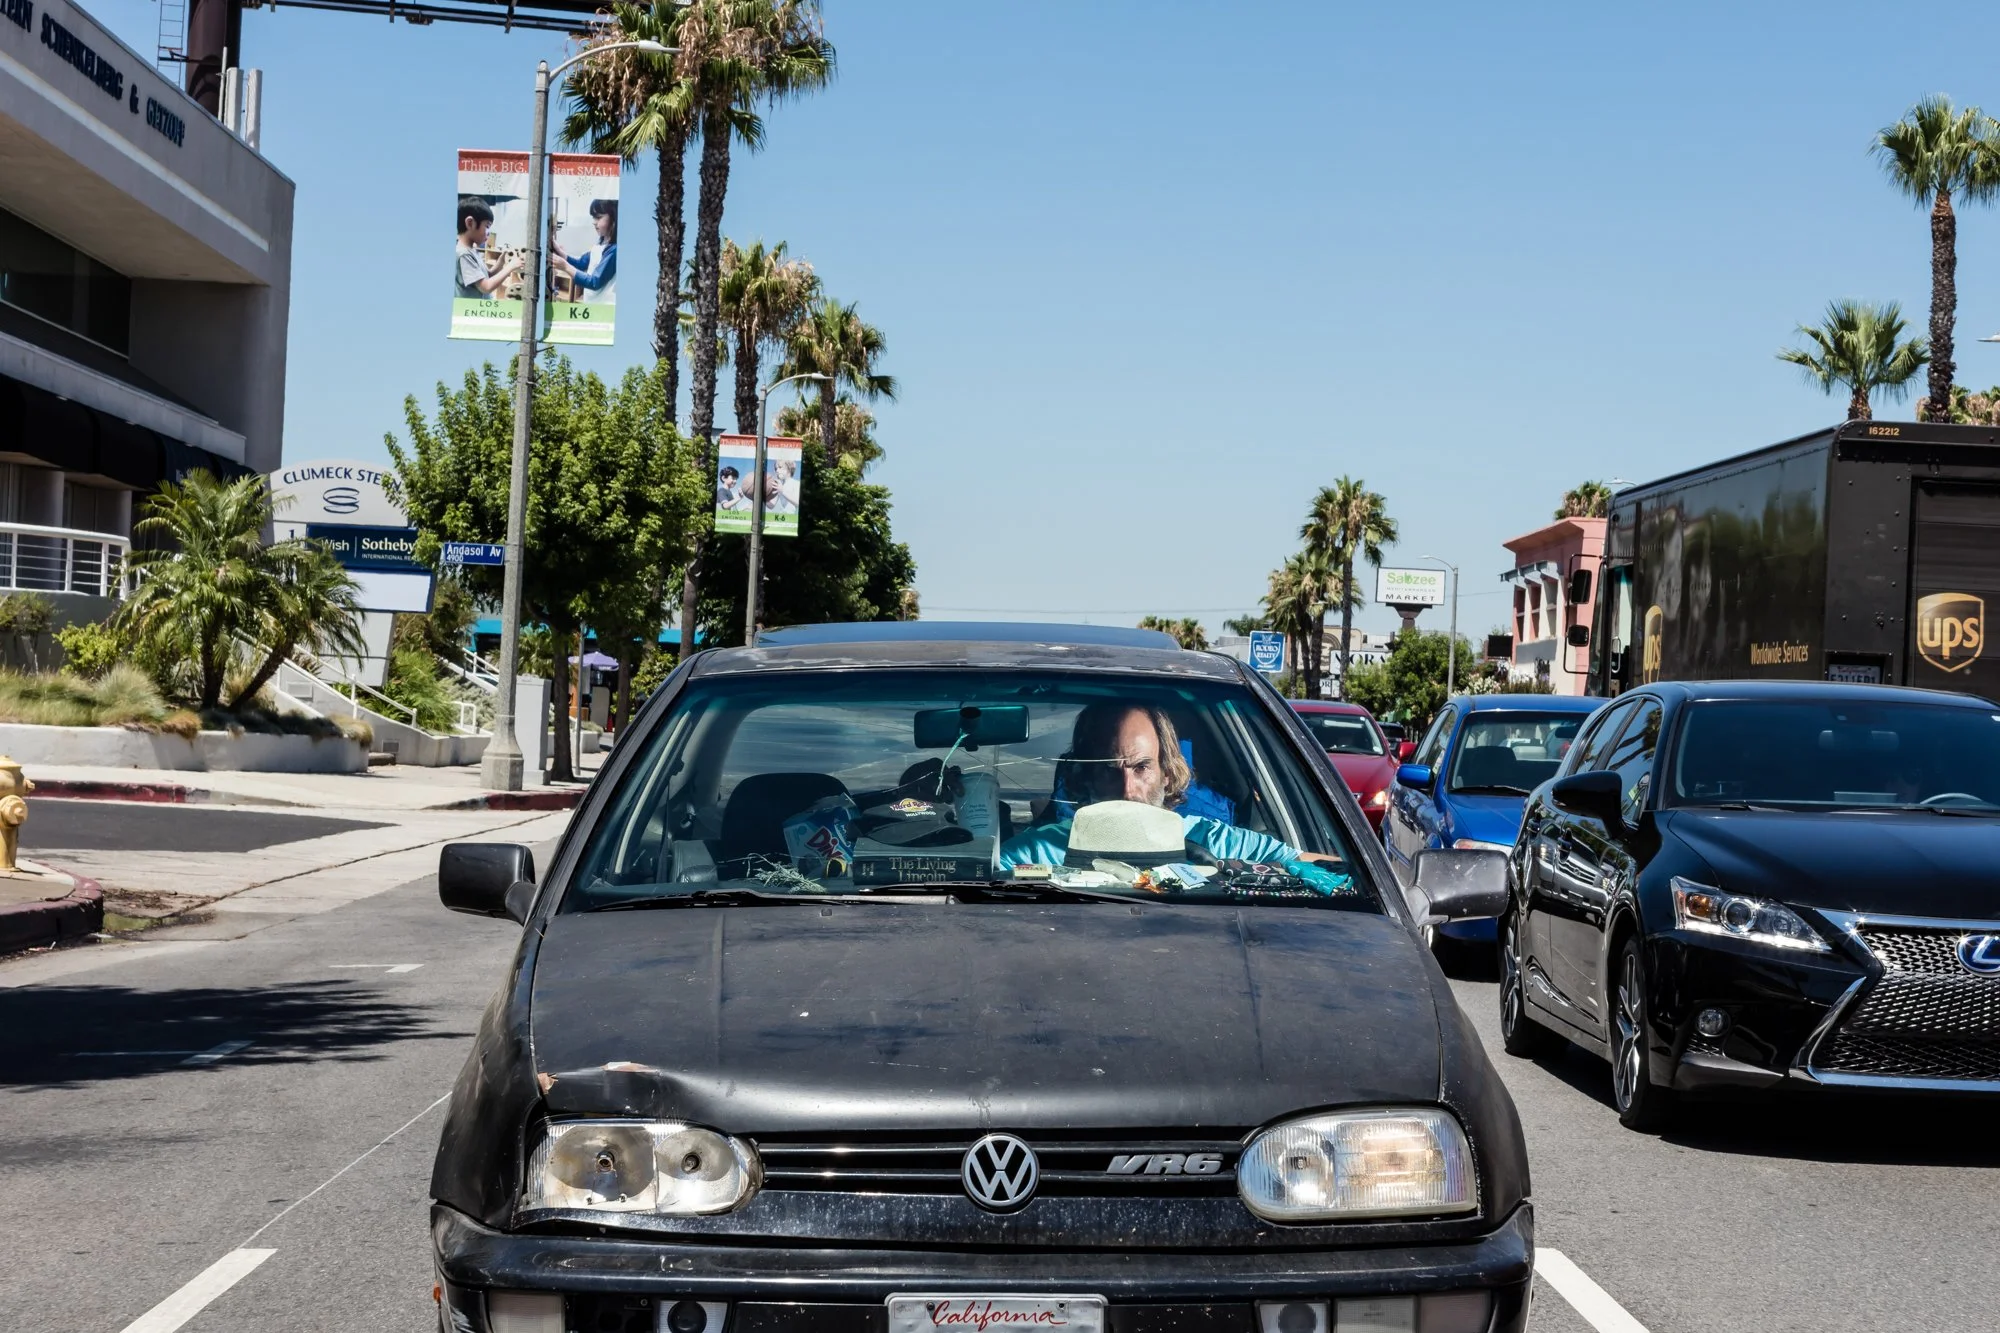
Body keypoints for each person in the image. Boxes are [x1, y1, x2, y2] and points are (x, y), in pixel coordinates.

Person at [998, 703, 1306, 869]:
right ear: (1084, 777)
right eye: (1108, 770)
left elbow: (1325, 870)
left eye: (1142, 767)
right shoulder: (1040, 852)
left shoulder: (1212, 842)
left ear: (1167, 773)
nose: (1127, 790)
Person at [552, 199, 617, 301]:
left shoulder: (614, 249)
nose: (594, 222)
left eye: (598, 218)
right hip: (593, 303)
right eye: (593, 218)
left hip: (604, 307)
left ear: (614, 218)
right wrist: (560, 253)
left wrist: (565, 267)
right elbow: (581, 263)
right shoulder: (601, 242)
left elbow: (595, 282)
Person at [455, 198, 521, 300]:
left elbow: (488, 275)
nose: (489, 232)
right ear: (470, 223)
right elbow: (486, 287)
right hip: (473, 314)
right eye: (487, 226)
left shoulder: (472, 250)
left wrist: (501, 262)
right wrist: (511, 267)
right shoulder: (464, 255)